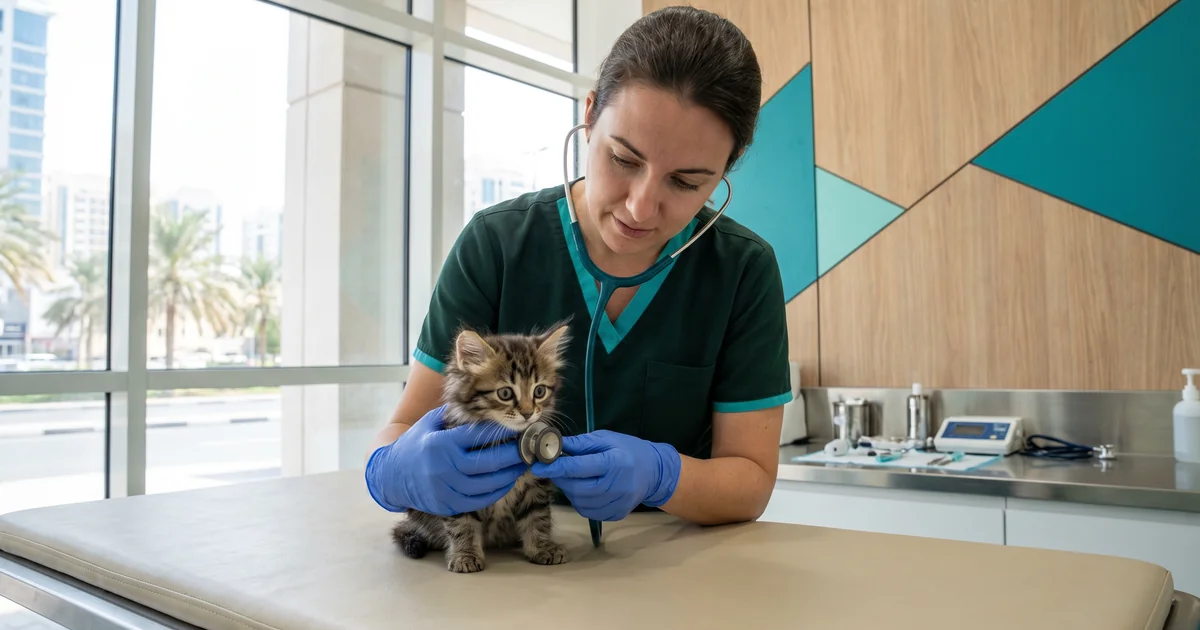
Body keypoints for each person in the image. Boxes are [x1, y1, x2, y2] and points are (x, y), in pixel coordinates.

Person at [364, 6, 790, 528]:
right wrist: (389, 471)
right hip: (508, 563)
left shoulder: (742, 271)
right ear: (589, 117)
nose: (640, 206)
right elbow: (405, 425)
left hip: (668, 569)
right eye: (624, 160)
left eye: (686, 182)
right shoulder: (497, 243)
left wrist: (664, 474)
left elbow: (749, 481)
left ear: (726, 169)